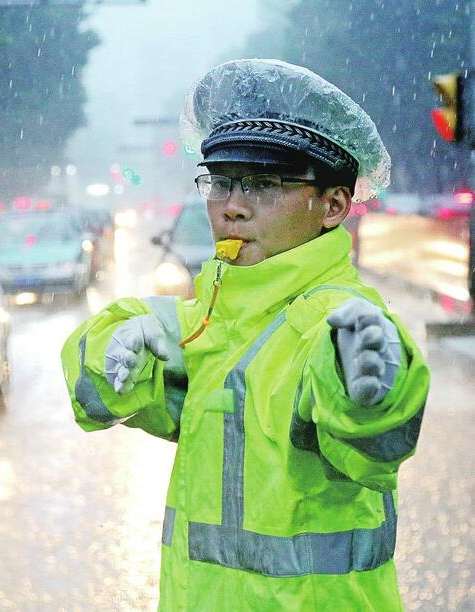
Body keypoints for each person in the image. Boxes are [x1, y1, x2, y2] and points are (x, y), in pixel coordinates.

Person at [60, 59, 430, 611]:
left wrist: (372, 392)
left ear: (332, 206)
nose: (231, 205)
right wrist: (112, 348)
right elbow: (96, 392)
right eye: (222, 181)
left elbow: (373, 439)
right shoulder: (218, 319)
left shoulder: (338, 320)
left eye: (263, 184)